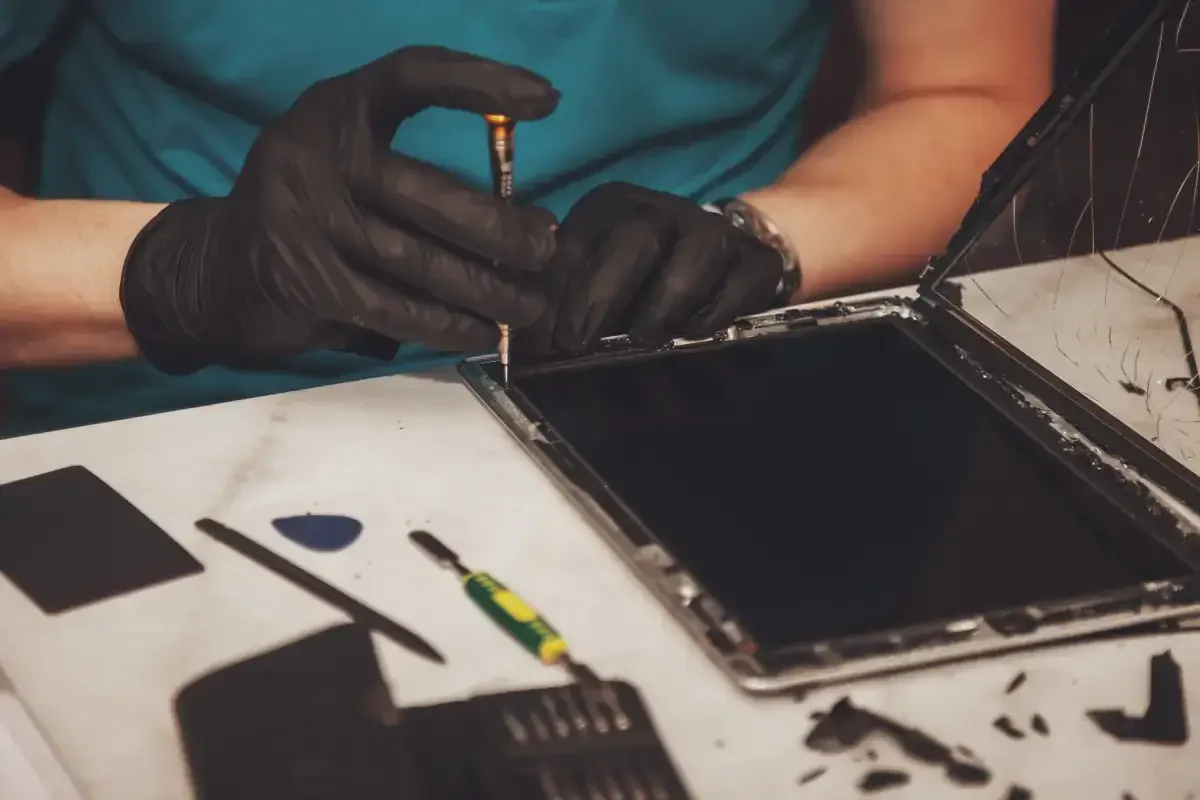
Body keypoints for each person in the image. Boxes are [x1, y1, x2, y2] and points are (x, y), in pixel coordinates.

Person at [0, 1, 1053, 437]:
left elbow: (968, 95)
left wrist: (762, 239)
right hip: (160, 426)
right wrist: (182, 270)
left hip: (694, 401)